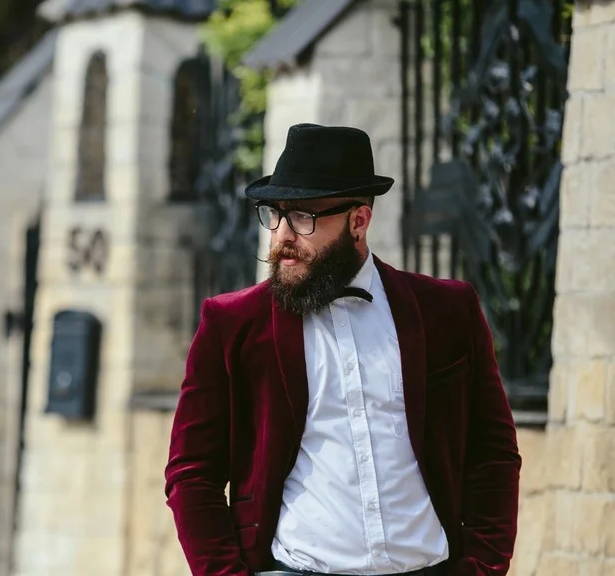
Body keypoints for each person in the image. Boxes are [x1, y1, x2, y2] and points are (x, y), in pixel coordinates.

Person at [164, 123, 520, 576]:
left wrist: (483, 567)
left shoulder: (448, 311)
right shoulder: (231, 325)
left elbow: (493, 454)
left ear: (358, 221)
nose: (282, 235)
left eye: (303, 217)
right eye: (274, 213)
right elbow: (191, 474)